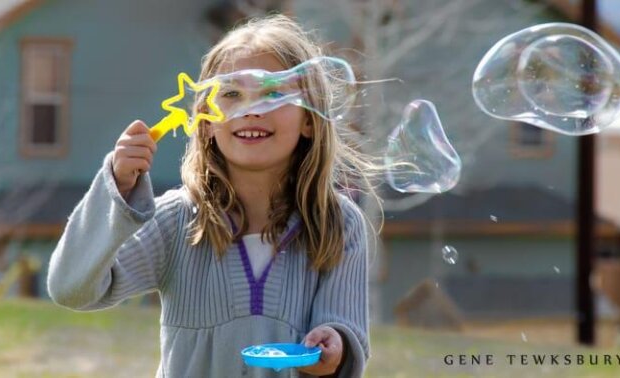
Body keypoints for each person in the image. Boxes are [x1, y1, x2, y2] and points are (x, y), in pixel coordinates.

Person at [47, 14, 378, 377]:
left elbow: (344, 340)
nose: (251, 110)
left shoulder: (339, 224)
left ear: (310, 121)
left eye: (272, 94)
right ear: (205, 122)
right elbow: (71, 289)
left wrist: (333, 348)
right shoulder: (176, 222)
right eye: (232, 94)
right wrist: (116, 189)